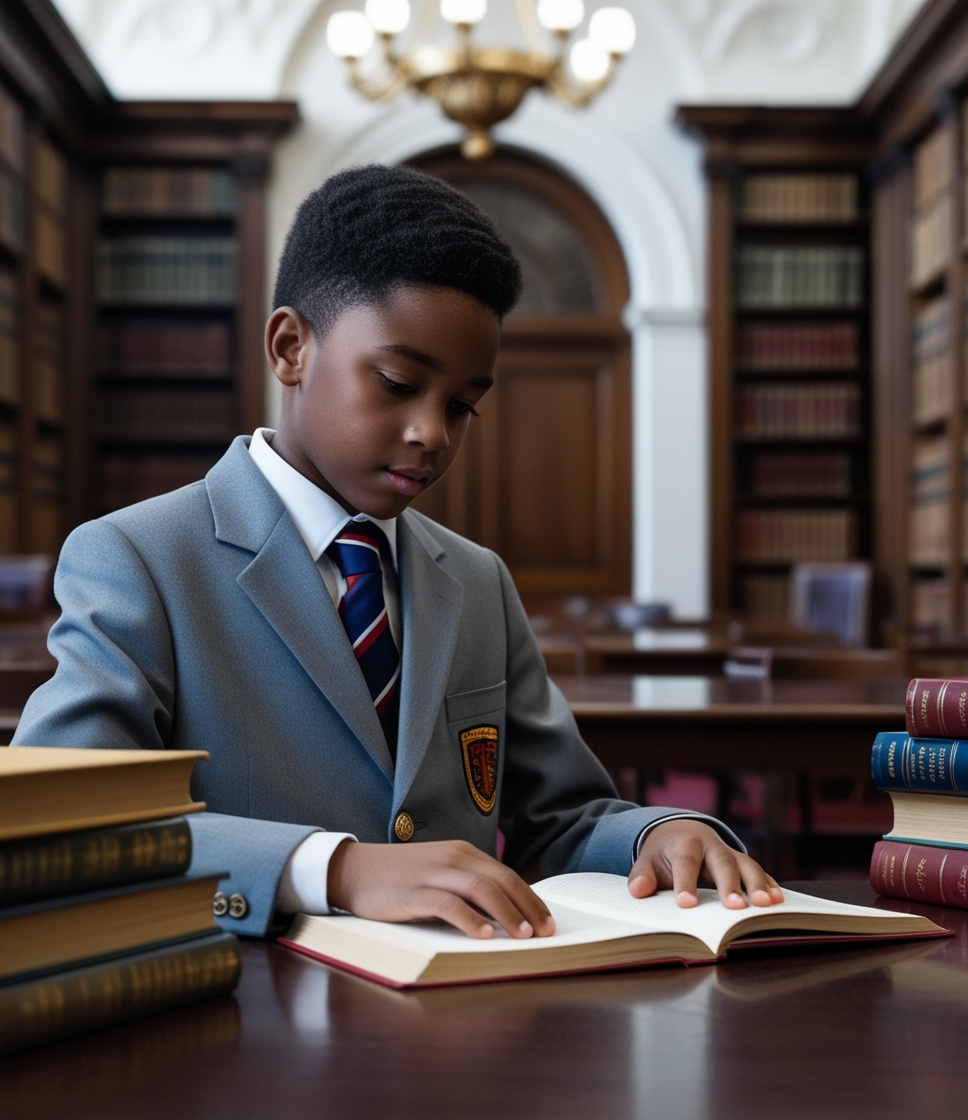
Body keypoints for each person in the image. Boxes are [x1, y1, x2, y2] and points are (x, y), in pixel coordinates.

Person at [14, 165, 783, 940]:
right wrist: (335, 868)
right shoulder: (139, 558)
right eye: (396, 382)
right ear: (290, 348)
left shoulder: (478, 580)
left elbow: (560, 816)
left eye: (461, 406)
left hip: (466, 1012)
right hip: (244, 1016)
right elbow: (61, 827)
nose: (433, 433)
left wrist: (655, 835)